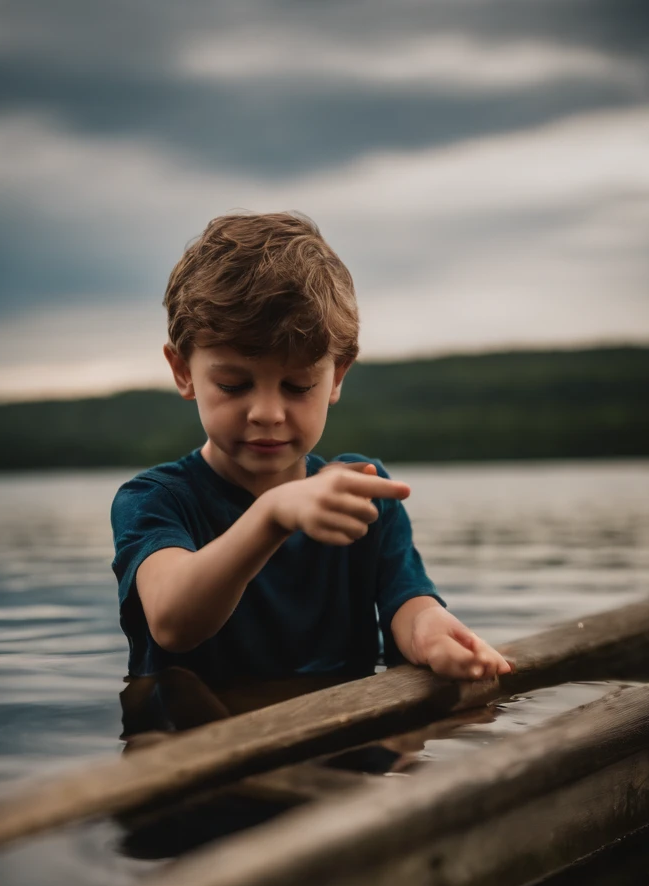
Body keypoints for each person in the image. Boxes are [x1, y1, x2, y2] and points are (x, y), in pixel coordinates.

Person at [111, 212, 510, 716]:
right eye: (233, 385)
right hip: (196, 773)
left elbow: (406, 603)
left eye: (298, 386)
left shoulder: (361, 489)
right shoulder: (155, 500)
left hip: (342, 758)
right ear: (182, 371)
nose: (267, 413)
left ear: (337, 376)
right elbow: (173, 620)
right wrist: (273, 514)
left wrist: (429, 631)